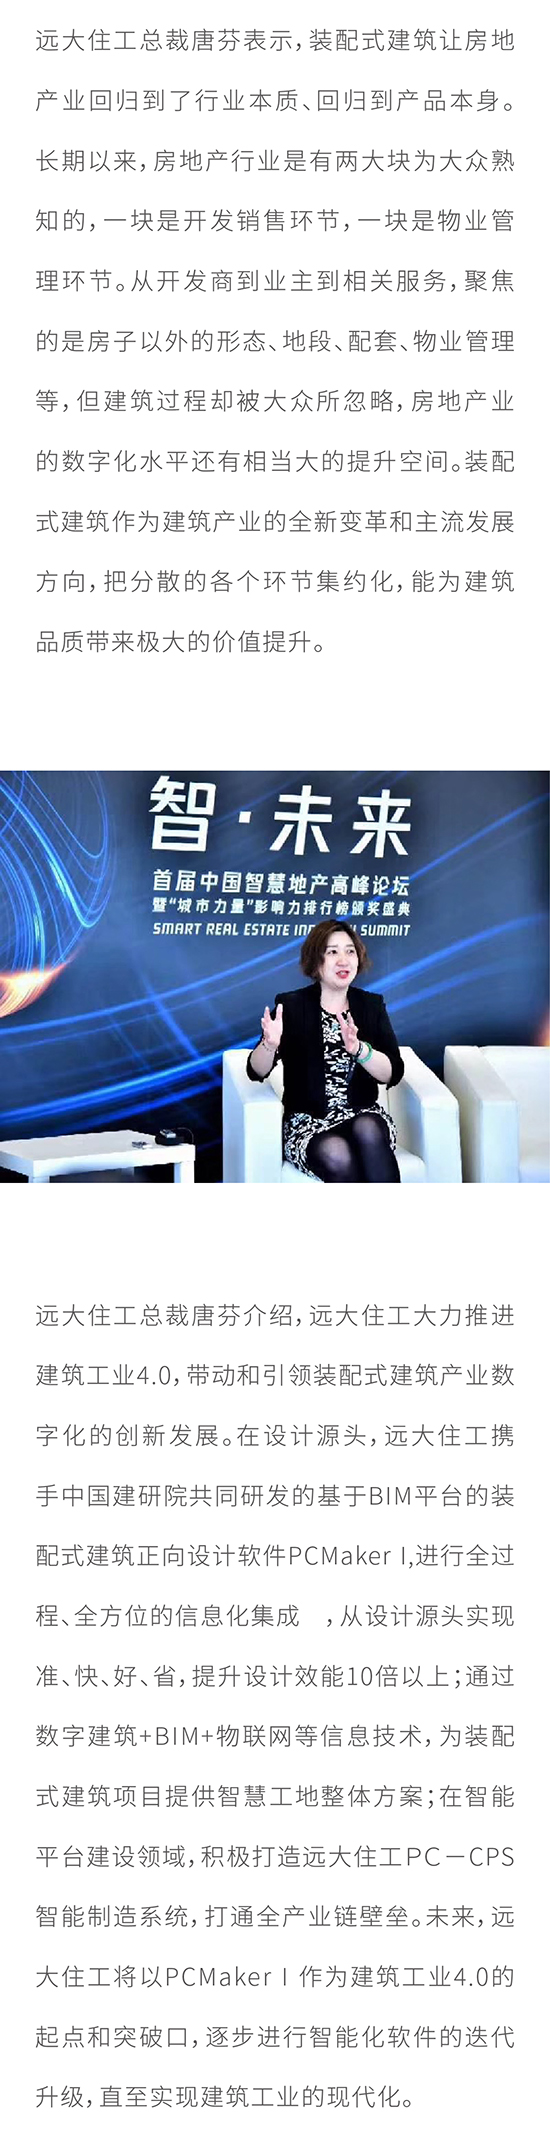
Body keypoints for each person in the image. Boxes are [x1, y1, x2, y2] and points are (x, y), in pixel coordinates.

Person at [247, 920, 404, 1182]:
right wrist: (269, 1045)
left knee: (368, 1128)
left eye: (350, 951)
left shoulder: (371, 1005)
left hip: (361, 1113)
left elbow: (392, 1073)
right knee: (336, 1152)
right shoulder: (292, 1006)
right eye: (332, 952)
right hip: (308, 1122)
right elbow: (256, 1070)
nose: (343, 960)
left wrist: (360, 1050)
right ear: (316, 961)